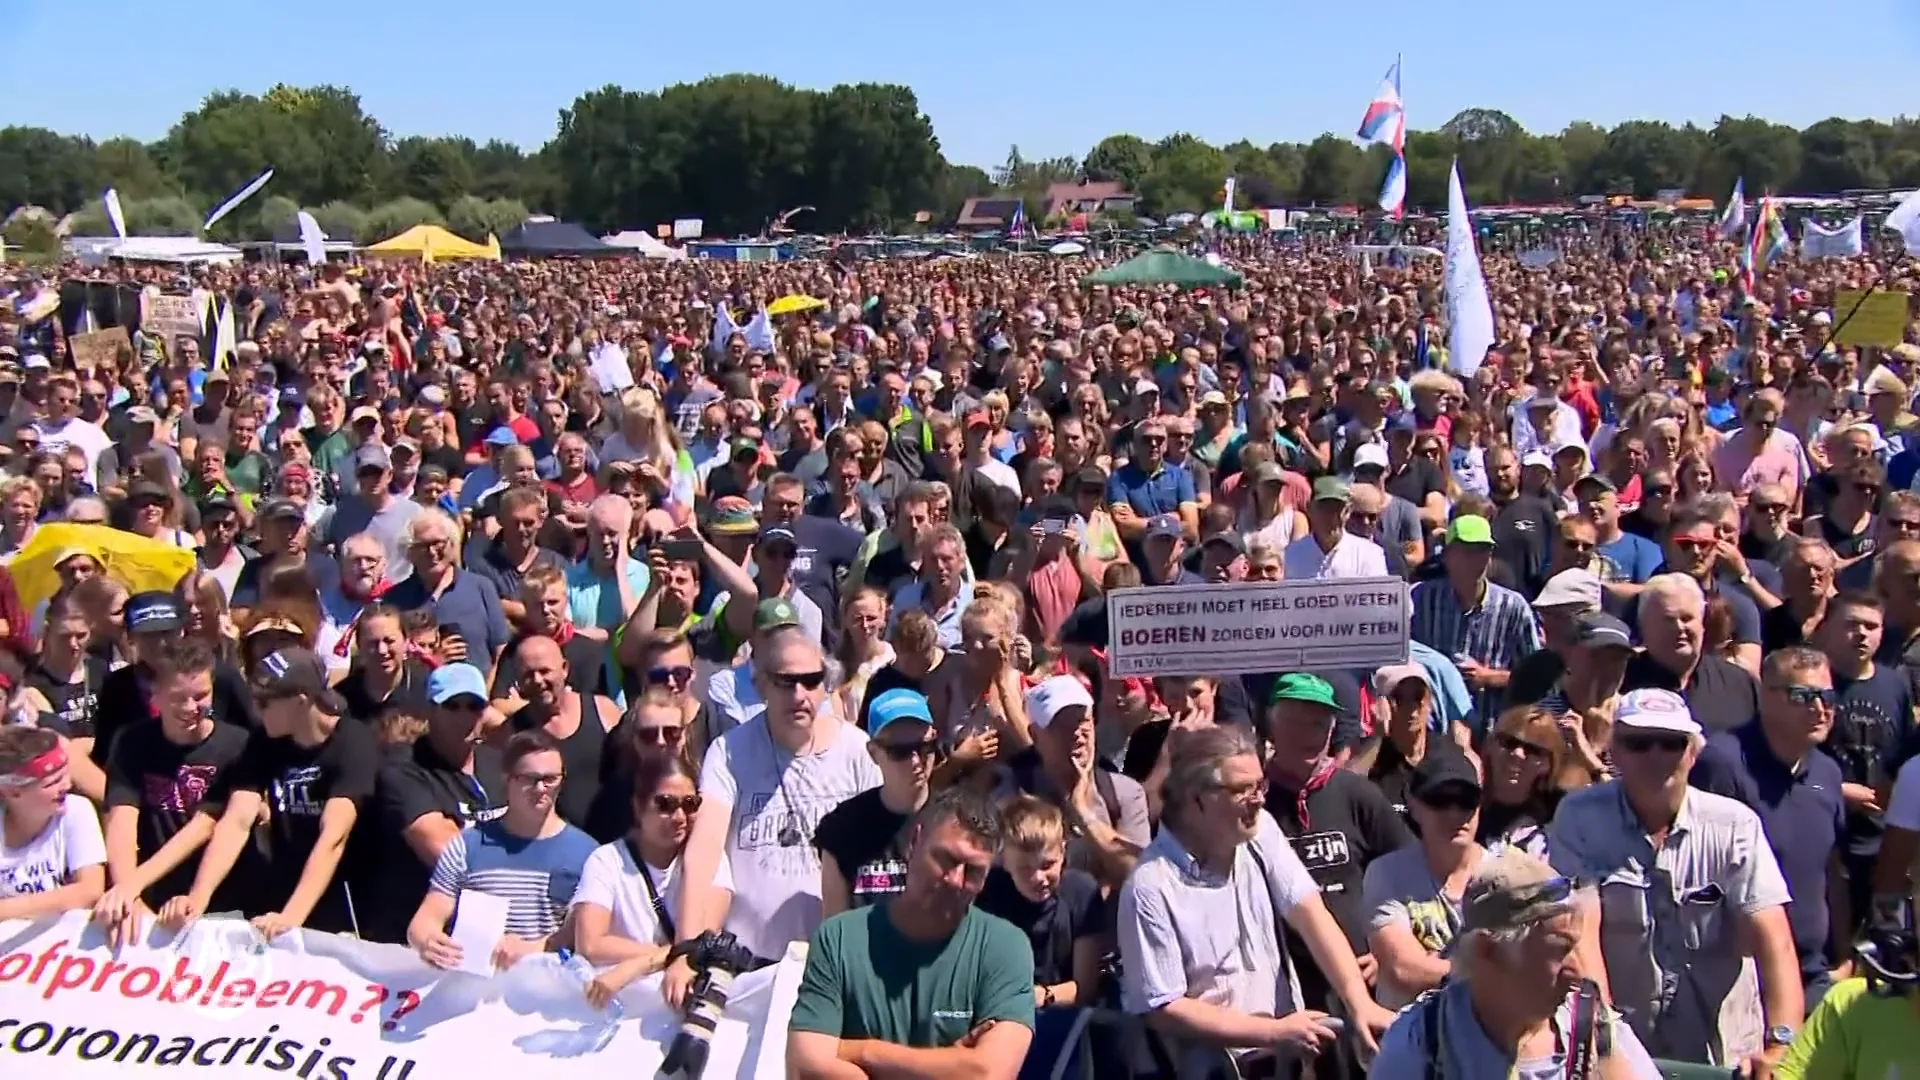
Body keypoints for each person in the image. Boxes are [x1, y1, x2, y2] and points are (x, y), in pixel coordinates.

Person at [1547, 687, 1804, 1071]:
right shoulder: (1579, 817)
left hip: (1724, 1057)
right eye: (1639, 743)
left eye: (1670, 743)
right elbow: (1579, 931)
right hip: (1624, 1050)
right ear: (1613, 752)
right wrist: (1606, 1042)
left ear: (1693, 752)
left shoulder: (1735, 824)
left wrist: (1781, 1046)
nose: (1656, 756)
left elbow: (1775, 942)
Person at [1117, 725, 1394, 1077]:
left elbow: (1310, 913)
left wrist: (1358, 1003)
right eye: (1241, 789)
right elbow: (1164, 1007)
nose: (1260, 799)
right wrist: (1273, 1033)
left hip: (1282, 1062)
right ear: (1196, 798)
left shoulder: (1259, 830)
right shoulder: (1150, 887)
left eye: (1259, 785)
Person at [671, 628, 881, 999]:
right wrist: (686, 948)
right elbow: (704, 850)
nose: (799, 695)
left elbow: (879, 857)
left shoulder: (858, 750)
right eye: (786, 682)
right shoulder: (729, 751)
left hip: (833, 966)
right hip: (743, 967)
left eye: (811, 681)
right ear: (761, 684)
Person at [786, 786, 1034, 1080]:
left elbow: (987, 1073)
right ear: (914, 843)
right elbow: (808, 1067)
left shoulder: (1005, 947)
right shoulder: (839, 938)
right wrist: (951, 1063)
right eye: (946, 859)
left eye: (974, 872)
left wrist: (864, 1053)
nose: (956, 880)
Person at [1367, 847, 1662, 1079]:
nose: (1576, 972)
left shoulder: (1595, 1030)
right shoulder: (1424, 1045)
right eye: (1558, 951)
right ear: (1488, 951)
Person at [165, 646, 380, 938]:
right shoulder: (265, 742)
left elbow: (334, 837)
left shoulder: (353, 741)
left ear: (301, 701)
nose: (254, 708)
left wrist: (291, 918)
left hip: (348, 901)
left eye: (265, 702)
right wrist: (197, 898)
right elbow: (236, 821)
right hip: (283, 888)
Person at [90, 638, 252, 946]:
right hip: (154, 896)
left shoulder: (239, 745)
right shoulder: (131, 742)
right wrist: (128, 894)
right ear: (156, 695)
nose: (192, 708)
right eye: (179, 698)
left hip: (225, 900)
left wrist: (134, 885)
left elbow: (205, 825)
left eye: (201, 695)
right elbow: (122, 821)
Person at [407, 729, 596, 971]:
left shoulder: (588, 854)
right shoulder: (467, 845)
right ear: (507, 779)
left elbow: (586, 936)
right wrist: (428, 942)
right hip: (473, 990)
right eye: (529, 778)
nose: (541, 788)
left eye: (550, 779)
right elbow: (426, 919)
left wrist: (532, 948)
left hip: (548, 993)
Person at [568, 750, 731, 1009]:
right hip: (620, 1008)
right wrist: (670, 954)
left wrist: (636, 966)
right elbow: (590, 944)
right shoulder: (606, 861)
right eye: (665, 804)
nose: (679, 816)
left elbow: (703, 942)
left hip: (678, 1006)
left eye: (690, 804)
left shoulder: (711, 860)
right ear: (638, 806)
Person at [359, 661, 507, 944]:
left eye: (474, 706)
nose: (465, 716)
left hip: (494, 932)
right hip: (415, 939)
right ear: (429, 711)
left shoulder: (499, 763)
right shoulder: (403, 771)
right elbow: (448, 855)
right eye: (452, 706)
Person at [1362, 752, 1490, 1009]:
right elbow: (1403, 970)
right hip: (1412, 1039)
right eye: (1440, 800)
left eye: (1466, 801)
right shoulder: (1387, 873)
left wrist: (1438, 967)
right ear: (1413, 804)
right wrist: (1488, 973)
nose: (1454, 813)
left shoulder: (1510, 871)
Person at [973, 794, 1105, 1013]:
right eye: (1024, 868)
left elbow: (1086, 986)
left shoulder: (1081, 892)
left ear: (1063, 852)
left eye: (1047, 865)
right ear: (1004, 860)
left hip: (1059, 1013)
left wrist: (1043, 996)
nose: (1038, 878)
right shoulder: (988, 891)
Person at [814, 687, 938, 915]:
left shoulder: (957, 819)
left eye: (924, 747)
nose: (915, 761)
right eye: (899, 751)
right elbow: (833, 926)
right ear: (873, 753)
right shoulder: (842, 829)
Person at [0, 725, 106, 918]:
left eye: (65, 775)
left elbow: (91, 890)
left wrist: (7, 909)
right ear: (13, 792)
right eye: (52, 783)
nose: (67, 785)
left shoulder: (76, 811)